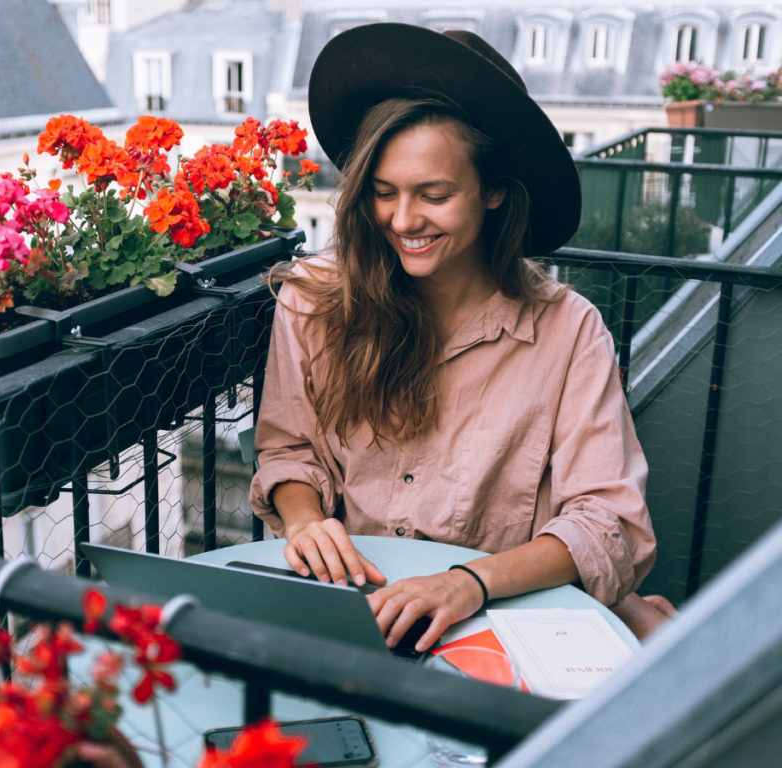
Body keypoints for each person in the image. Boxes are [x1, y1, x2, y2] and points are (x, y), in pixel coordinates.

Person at [248, 23, 672, 650]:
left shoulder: (567, 329)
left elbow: (609, 522)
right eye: (382, 193)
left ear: (495, 190)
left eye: (435, 195)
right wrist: (306, 521)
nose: (403, 220)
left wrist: (466, 583)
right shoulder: (313, 300)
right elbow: (289, 451)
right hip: (350, 614)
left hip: (497, 624)